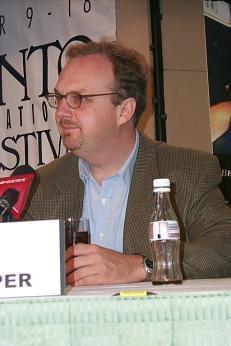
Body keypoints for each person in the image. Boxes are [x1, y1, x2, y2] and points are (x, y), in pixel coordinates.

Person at [23, 39, 231, 286]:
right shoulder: (41, 184)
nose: (61, 112)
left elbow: (224, 249)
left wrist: (141, 265)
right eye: (59, 98)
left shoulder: (187, 171)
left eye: (78, 98)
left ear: (125, 110)